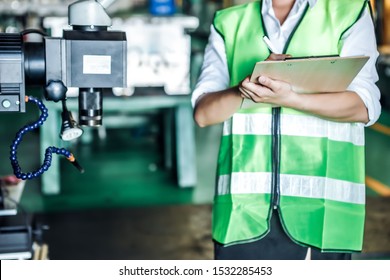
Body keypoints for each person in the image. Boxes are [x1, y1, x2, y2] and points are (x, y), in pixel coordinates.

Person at [192, 0, 381, 260]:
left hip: (321, 208)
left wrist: (291, 98)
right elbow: (203, 113)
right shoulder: (228, 22)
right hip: (243, 210)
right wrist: (244, 88)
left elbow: (364, 106)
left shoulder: (348, 12)